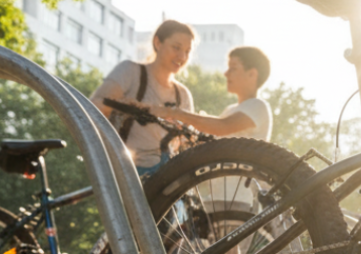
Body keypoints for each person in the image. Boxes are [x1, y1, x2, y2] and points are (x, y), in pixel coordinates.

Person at [91, 19, 195, 176]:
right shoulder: (130, 72)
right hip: (127, 172)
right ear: (158, 43)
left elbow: (186, 144)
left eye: (187, 51)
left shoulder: (183, 94)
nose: (182, 56)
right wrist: (129, 107)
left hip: (166, 176)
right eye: (176, 47)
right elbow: (94, 106)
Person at [146, 46, 272, 141]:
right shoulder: (230, 110)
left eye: (233, 68)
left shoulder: (258, 106)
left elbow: (221, 127)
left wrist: (174, 113)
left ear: (252, 74)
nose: (226, 73)